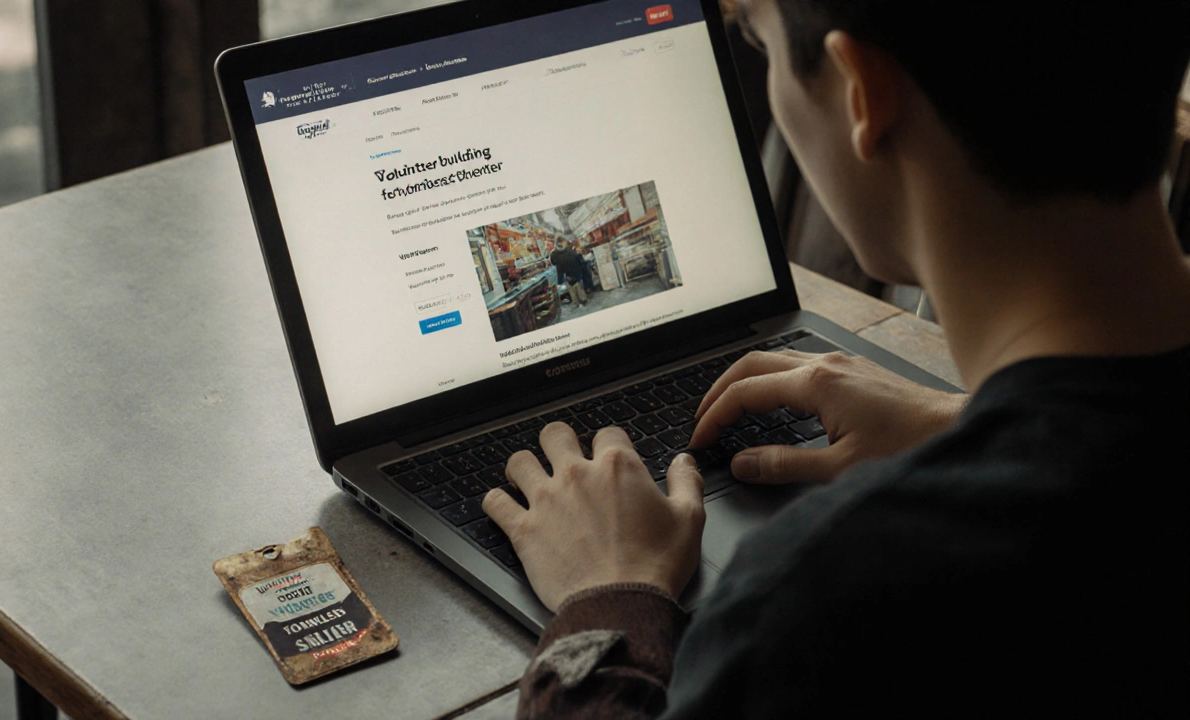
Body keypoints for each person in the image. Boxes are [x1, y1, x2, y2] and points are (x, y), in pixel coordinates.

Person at [481, 0, 1190, 717]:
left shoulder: (829, 598)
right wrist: (973, 424)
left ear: (864, 95)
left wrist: (610, 599)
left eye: (759, 39)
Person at [551, 238, 589, 306]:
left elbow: (554, 262)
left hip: (567, 273)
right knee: (578, 285)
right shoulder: (569, 250)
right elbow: (578, 260)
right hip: (575, 271)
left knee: (572, 288)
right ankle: (582, 299)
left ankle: (576, 301)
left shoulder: (555, 254)